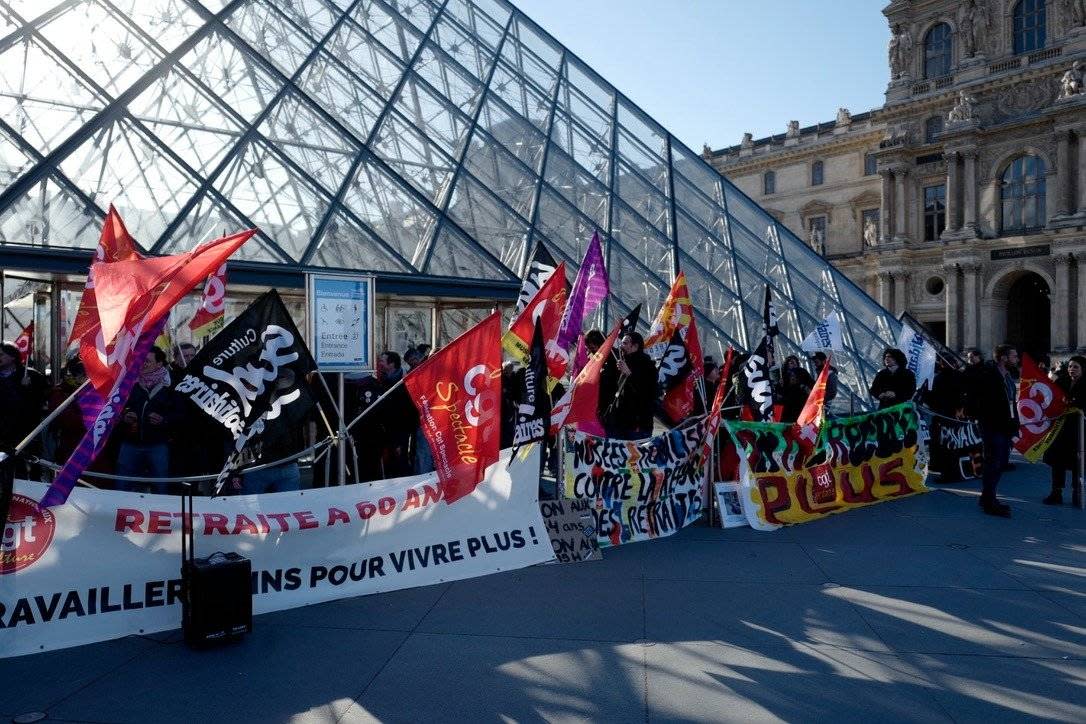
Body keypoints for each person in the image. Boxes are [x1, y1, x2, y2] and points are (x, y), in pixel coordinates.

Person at [114, 347, 183, 490]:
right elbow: (116, 407)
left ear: (159, 364)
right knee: (122, 484)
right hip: (130, 443)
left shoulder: (172, 385)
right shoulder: (129, 382)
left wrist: (164, 420)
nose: (142, 364)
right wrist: (124, 415)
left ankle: (161, 511)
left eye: (146, 361)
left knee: (160, 485)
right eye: (140, 360)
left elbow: (181, 413)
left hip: (158, 445)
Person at [966, 344, 1020, 517]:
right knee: (993, 463)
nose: (1016, 359)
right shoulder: (988, 375)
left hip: (1005, 426)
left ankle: (986, 496)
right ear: (1003, 358)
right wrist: (983, 418)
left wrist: (1014, 423)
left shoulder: (1008, 376)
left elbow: (1011, 402)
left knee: (1000, 463)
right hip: (992, 426)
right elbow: (976, 399)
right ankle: (990, 502)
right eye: (1014, 356)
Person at [0, 341, 48, 477]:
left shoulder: (31, 375)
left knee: (29, 467)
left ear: (12, 357)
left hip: (26, 431)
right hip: (3, 434)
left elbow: (40, 401)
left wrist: (27, 388)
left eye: (2, 354)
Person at [1043, 355, 1085, 506]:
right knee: (1057, 460)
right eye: (1070, 367)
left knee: (1077, 462)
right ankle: (1056, 492)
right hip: (1060, 428)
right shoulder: (1062, 381)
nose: (1071, 370)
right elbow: (1052, 396)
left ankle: (1077, 493)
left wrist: (1070, 402)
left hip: (1078, 430)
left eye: (1076, 367)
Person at [600, 332, 656, 440]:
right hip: (618, 423)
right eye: (621, 343)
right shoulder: (621, 363)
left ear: (635, 346)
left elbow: (648, 394)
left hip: (637, 425)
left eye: (625, 343)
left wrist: (629, 374)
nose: (621, 346)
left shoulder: (647, 366)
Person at [47, 357, 88, 465]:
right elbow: (70, 421)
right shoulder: (60, 393)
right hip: (71, 446)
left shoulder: (95, 391)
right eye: (84, 375)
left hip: (95, 449)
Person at [777, 355, 814, 423]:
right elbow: (780, 394)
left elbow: (811, 385)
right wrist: (780, 385)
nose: (793, 364)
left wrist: (804, 387)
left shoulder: (802, 372)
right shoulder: (783, 376)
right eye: (791, 363)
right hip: (789, 407)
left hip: (802, 403)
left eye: (795, 362)